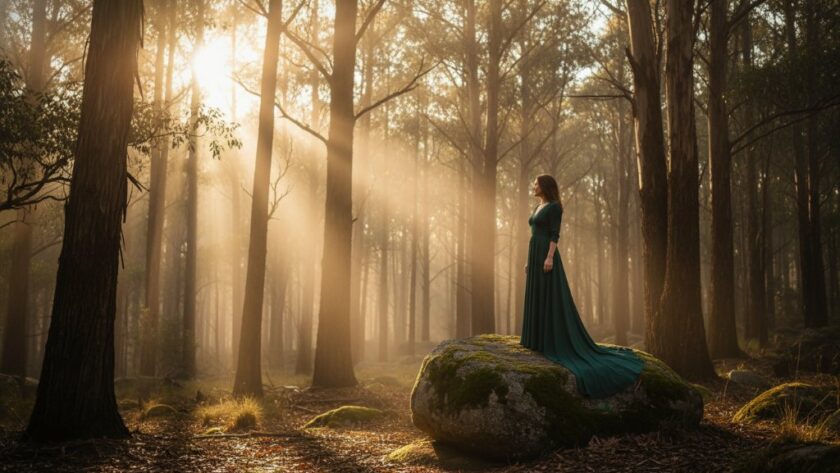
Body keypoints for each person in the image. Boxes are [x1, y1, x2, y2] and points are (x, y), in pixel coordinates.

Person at [520, 174, 644, 399]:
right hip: (534, 253)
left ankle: (552, 339)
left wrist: (549, 257)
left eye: (536, 183)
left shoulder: (555, 207)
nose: (533, 186)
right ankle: (535, 339)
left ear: (545, 186)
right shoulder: (539, 206)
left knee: (550, 297)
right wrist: (530, 260)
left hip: (545, 256)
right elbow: (534, 234)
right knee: (537, 295)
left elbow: (554, 235)